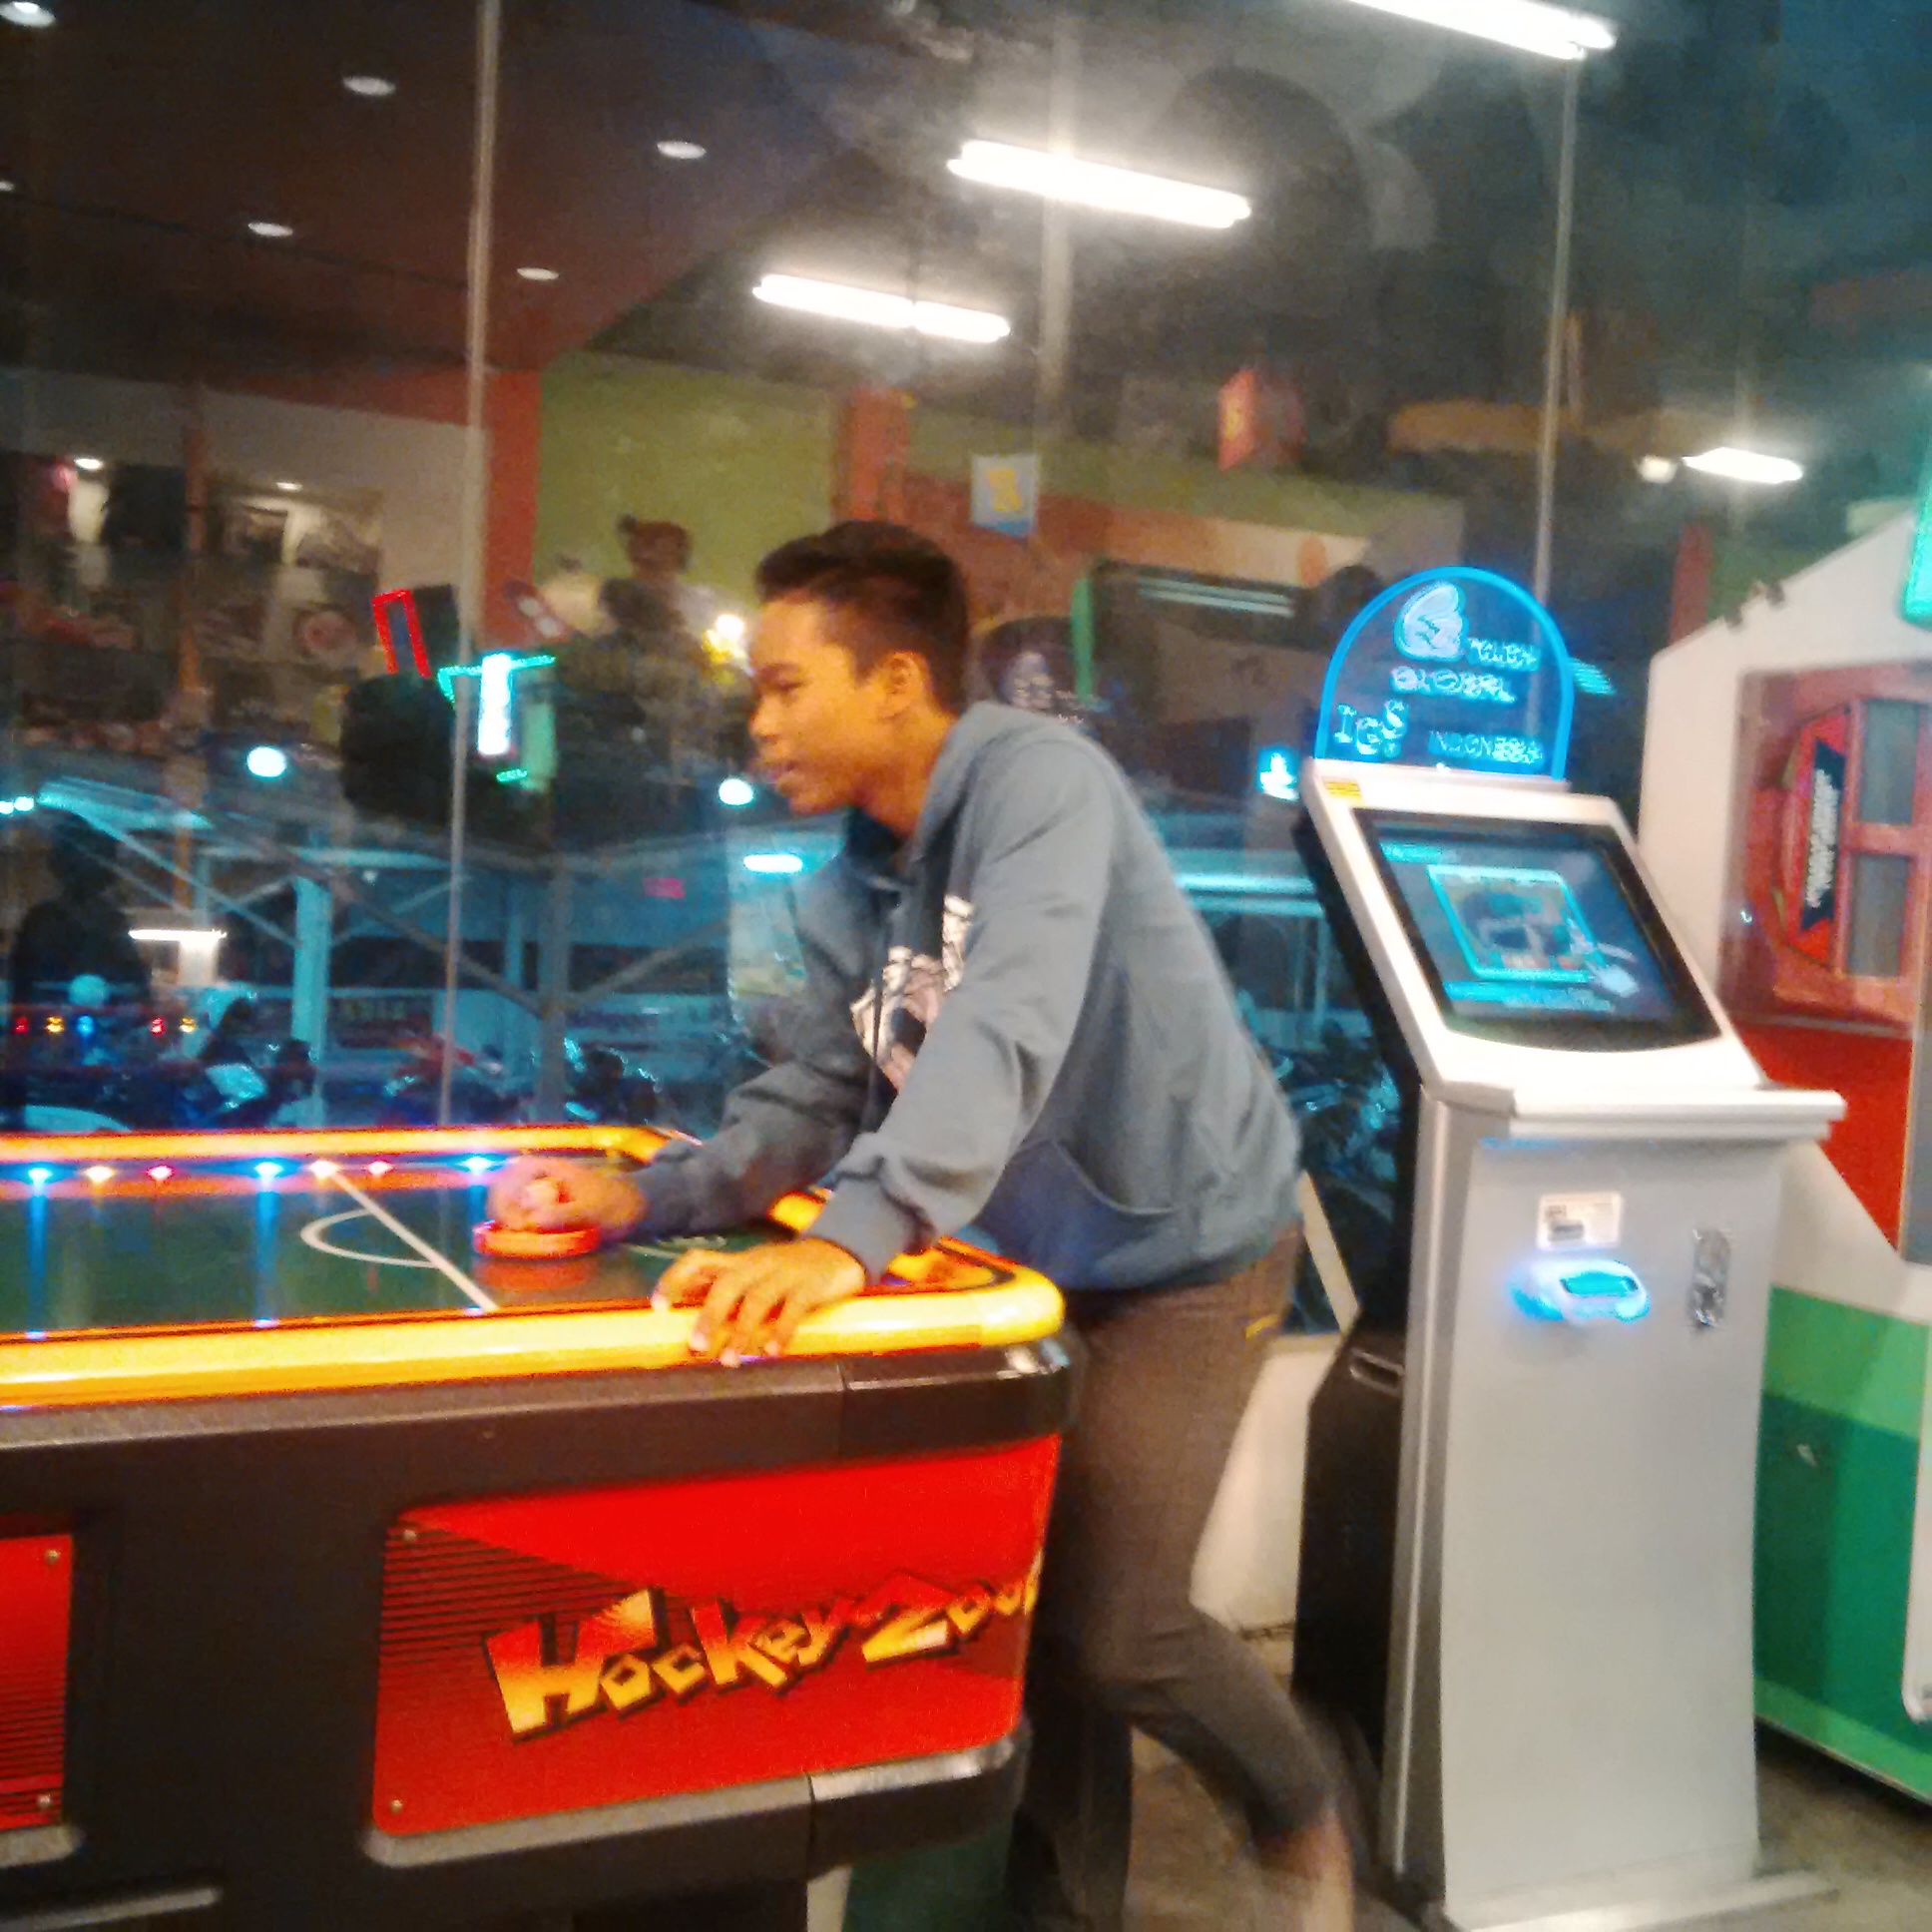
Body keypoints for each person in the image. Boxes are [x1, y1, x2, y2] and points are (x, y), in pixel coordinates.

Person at [490, 522, 1352, 1931]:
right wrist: (656, 1194)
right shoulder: (843, 885)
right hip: (1023, 1258)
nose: (761, 723)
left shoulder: (1041, 782)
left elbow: (1009, 1013)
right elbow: (826, 1086)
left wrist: (852, 1237)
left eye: (786, 686)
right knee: (1017, 1615)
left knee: (1117, 1629)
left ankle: (1297, 1804)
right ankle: (1059, 1911)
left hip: (1186, 1252)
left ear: (897, 682)